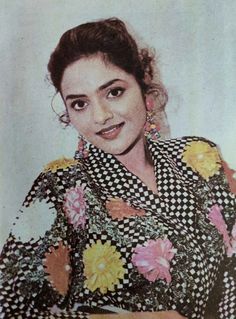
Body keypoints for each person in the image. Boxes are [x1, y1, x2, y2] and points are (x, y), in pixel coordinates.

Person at [0, 17, 235, 319]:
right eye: (80, 104)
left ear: (142, 84)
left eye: (113, 92)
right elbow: (10, 306)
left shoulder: (200, 158)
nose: (100, 116)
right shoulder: (62, 185)